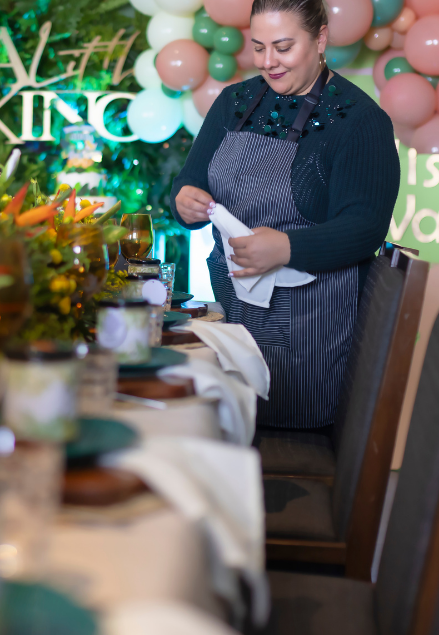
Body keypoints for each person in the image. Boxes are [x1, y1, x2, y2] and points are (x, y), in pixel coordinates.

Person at [170, 0, 399, 430]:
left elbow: (365, 226)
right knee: (215, 418)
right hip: (233, 316)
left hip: (309, 331)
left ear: (321, 39)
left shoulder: (359, 121)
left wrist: (288, 247)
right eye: (259, 48)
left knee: (268, 422)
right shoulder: (234, 103)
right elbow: (187, 184)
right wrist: (184, 201)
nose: (268, 62)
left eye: (283, 47)